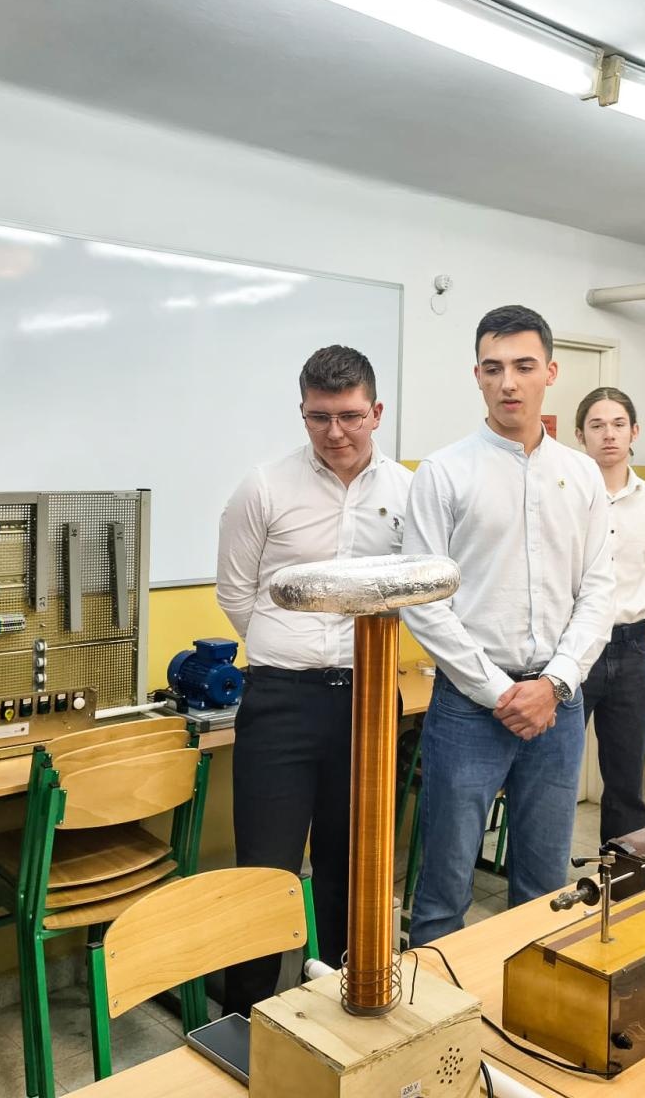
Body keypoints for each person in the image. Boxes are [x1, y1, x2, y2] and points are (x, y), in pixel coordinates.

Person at [401, 305, 615, 945]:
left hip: (558, 708)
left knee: (545, 887)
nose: (509, 383)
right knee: (443, 885)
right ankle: (433, 1031)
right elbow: (422, 599)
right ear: (476, 375)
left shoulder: (580, 474)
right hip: (469, 708)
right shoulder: (443, 473)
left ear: (551, 371)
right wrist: (499, 692)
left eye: (524, 366)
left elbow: (599, 589)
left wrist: (555, 684)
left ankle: (531, 1023)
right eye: (493, 369)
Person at [215, 345, 410, 1012]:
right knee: (265, 871)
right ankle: (243, 1016)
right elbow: (237, 594)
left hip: (368, 698)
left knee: (350, 865)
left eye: (350, 416)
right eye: (318, 417)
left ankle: (338, 1006)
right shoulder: (264, 487)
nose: (335, 433)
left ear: (376, 411)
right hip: (281, 700)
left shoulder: (407, 492)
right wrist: (289, 647)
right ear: (302, 412)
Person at [573, 386, 645, 843]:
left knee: (626, 779)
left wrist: (628, 620)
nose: (608, 435)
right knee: (551, 772)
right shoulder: (567, 497)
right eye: (597, 425)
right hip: (572, 646)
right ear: (581, 435)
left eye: (618, 424)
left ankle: (625, 883)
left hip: (631, 648)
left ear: (634, 432)